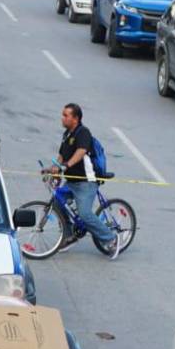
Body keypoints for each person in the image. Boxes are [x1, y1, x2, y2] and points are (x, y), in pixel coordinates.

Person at [52, 103, 121, 259]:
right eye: (63, 115)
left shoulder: (83, 132)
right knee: (57, 201)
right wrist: (54, 169)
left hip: (86, 182)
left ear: (75, 118)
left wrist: (67, 165)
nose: (62, 118)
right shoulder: (67, 134)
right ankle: (69, 235)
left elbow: (81, 151)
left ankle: (111, 239)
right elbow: (61, 156)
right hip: (71, 181)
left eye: (66, 115)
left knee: (84, 213)